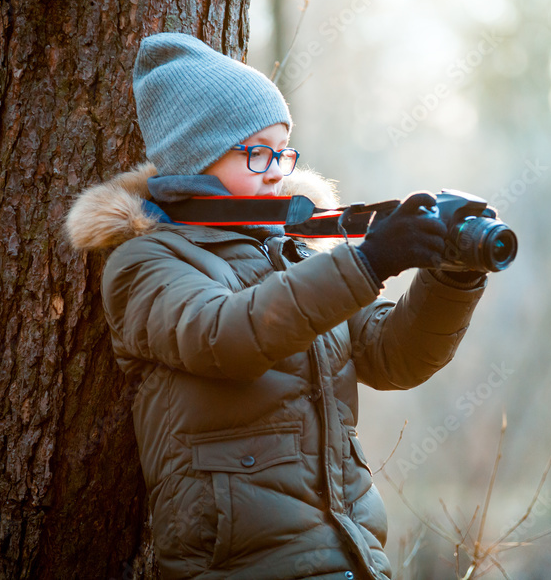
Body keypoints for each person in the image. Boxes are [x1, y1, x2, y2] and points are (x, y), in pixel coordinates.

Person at [64, 32, 490, 580]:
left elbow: (392, 357)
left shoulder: (296, 250)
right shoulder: (146, 262)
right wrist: (369, 261)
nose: (277, 170)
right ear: (197, 155)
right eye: (258, 152)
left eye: (283, 152)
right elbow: (225, 338)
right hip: (240, 564)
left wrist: (452, 276)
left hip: (353, 553)